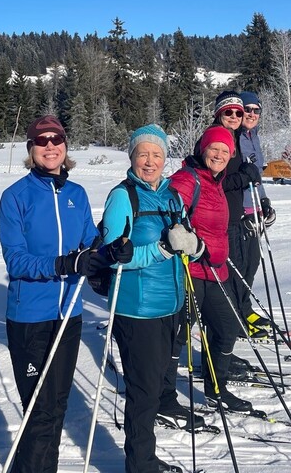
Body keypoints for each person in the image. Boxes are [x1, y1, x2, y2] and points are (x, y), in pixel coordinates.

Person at [0, 115, 118, 473]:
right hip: (30, 318)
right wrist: (64, 264)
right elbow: (16, 260)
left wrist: (111, 252)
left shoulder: (76, 194)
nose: (50, 146)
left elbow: (90, 243)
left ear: (65, 147)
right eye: (42, 140)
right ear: (31, 149)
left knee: (57, 407)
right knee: (39, 411)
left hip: (69, 314)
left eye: (57, 140)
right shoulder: (15, 197)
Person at [101, 124, 201, 473]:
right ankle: (140, 465)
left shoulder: (172, 196)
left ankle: (145, 458)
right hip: (137, 310)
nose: (149, 161)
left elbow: (185, 239)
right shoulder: (122, 197)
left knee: (156, 388)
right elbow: (114, 257)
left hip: (170, 306)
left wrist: (194, 246)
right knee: (143, 393)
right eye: (142, 153)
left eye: (156, 154)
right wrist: (161, 249)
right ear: (131, 157)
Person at [164, 125, 254, 415]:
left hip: (215, 271)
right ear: (202, 149)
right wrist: (188, 240)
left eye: (225, 151)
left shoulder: (217, 182)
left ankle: (217, 390)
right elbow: (168, 216)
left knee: (227, 328)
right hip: (189, 272)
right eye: (213, 148)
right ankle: (164, 398)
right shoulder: (187, 179)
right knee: (178, 336)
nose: (218, 155)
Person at [211, 91, 263, 365]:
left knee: (246, 267)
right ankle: (223, 344)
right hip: (225, 218)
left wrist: (262, 202)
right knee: (230, 277)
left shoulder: (243, 137)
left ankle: (240, 318)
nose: (238, 116)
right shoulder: (218, 138)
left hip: (239, 213)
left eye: (239, 112)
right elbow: (215, 181)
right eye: (229, 112)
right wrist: (244, 177)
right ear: (219, 113)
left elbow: (250, 177)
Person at [237, 91, 276, 338]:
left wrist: (263, 201)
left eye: (256, 110)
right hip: (239, 211)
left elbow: (256, 176)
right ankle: (236, 316)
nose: (251, 114)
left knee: (251, 264)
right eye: (247, 109)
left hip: (254, 207)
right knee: (240, 265)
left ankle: (245, 308)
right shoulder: (235, 137)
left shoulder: (254, 137)